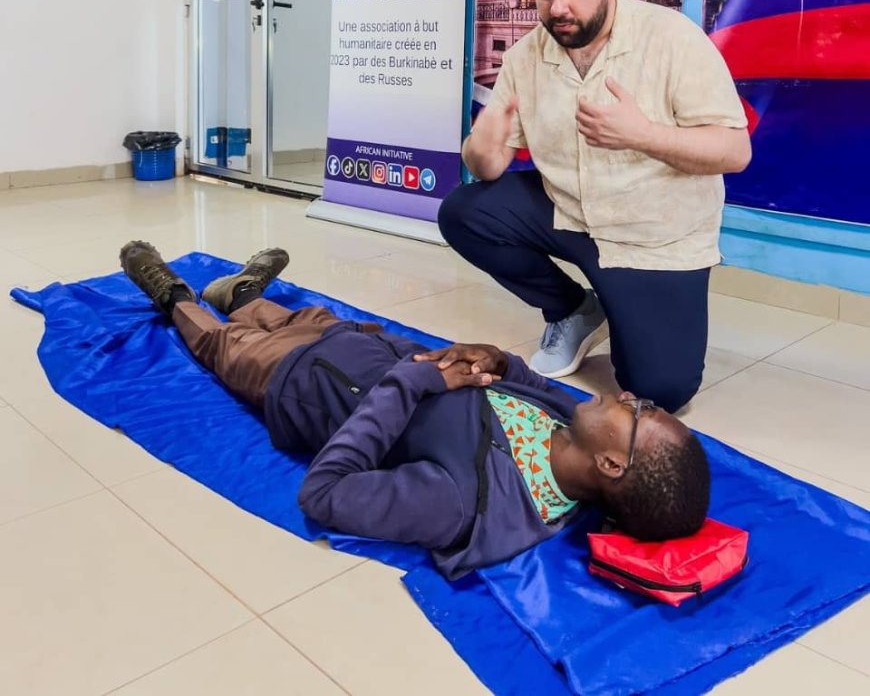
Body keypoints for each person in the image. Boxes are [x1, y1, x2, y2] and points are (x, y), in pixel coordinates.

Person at [119, 239, 711, 581]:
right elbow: (525, 377)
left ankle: (173, 294)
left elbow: (324, 493)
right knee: (292, 318)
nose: (632, 397)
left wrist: (412, 381)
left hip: (295, 383)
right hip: (357, 342)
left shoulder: (465, 502)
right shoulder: (570, 423)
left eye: (641, 414)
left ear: (611, 465)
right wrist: (500, 362)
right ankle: (246, 295)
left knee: (223, 343)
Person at [440, 0, 751, 412]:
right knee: (462, 212)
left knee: (660, 391)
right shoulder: (526, 55)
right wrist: (480, 144)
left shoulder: (671, 38)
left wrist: (642, 135)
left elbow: (735, 152)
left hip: (650, 237)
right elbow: (488, 166)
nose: (557, 7)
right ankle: (573, 309)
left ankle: (623, 305)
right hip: (568, 215)